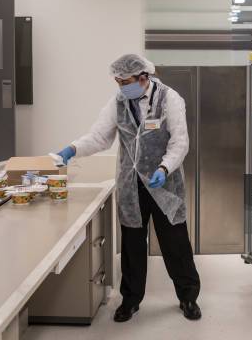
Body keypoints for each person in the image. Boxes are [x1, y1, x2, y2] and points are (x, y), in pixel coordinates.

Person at [57, 54, 201, 322]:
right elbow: (100, 137)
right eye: (118, 81)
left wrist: (164, 168)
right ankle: (131, 300)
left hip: (164, 183)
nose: (122, 86)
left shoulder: (170, 99)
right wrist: (73, 149)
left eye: (126, 81)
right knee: (133, 245)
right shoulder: (118, 102)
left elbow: (180, 142)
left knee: (175, 242)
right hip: (131, 187)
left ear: (144, 77)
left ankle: (188, 297)